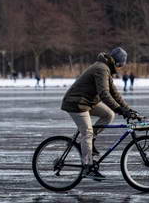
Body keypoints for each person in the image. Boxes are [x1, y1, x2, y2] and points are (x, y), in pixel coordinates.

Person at [60, 47, 141, 181]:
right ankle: (87, 166)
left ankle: (88, 142)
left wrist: (128, 109)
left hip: (87, 102)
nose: (120, 67)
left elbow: (114, 93)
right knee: (87, 132)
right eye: (121, 64)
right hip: (76, 103)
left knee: (109, 114)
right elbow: (104, 94)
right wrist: (120, 109)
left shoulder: (106, 69)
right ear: (117, 62)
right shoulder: (101, 69)